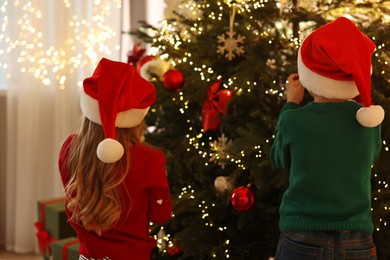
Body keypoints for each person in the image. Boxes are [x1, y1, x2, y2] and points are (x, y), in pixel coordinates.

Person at [270, 17, 385, 259]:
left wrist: (291, 104)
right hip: (357, 239)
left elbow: (279, 158)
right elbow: (371, 156)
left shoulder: (294, 120)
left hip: (302, 235)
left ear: (308, 76)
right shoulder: (369, 120)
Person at [58, 58, 173, 260]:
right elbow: (161, 215)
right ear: (137, 116)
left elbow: (73, 200)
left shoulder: (70, 148)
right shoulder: (149, 160)